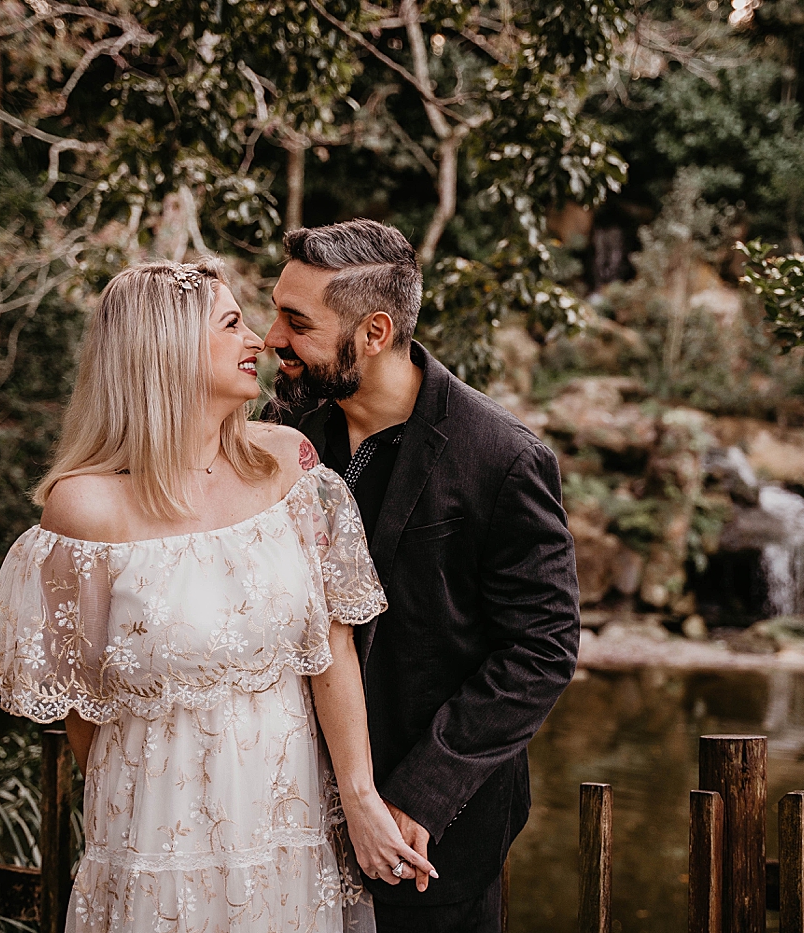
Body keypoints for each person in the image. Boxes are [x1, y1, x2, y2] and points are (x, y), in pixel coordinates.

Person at [0, 258, 434, 933]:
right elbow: (82, 708)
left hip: (286, 827)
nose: (260, 341)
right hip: (156, 842)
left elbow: (331, 647)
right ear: (168, 347)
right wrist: (143, 818)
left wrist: (358, 795)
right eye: (232, 323)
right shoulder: (84, 509)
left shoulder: (291, 465)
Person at [263, 220, 581, 933]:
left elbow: (543, 650)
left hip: (430, 836)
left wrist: (418, 794)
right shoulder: (284, 428)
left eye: (296, 321)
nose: (271, 337)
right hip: (285, 813)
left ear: (373, 331)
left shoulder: (501, 458)